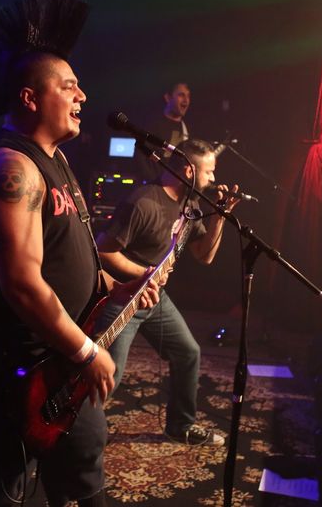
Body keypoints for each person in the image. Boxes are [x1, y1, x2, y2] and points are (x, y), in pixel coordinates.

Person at [0, 0, 158, 507]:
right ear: (30, 98)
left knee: (82, 470)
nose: (83, 95)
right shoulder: (9, 169)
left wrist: (116, 286)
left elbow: (66, 254)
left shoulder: (56, 162)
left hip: (61, 367)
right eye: (68, 86)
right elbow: (22, 283)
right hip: (20, 374)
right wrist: (86, 351)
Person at [95, 138, 240, 446]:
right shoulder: (143, 202)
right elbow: (102, 251)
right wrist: (143, 274)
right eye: (209, 171)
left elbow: (204, 256)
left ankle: (180, 426)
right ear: (189, 171)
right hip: (123, 297)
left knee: (188, 353)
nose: (214, 178)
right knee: (108, 373)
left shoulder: (190, 205)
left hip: (154, 297)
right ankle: (74, 435)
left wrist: (220, 217)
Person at [135, 82, 192, 182]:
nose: (186, 100)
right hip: (155, 185)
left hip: (175, 186)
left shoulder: (187, 127)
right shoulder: (153, 124)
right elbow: (140, 153)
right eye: (181, 95)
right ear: (168, 98)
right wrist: (151, 180)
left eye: (188, 96)